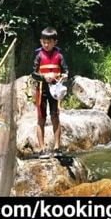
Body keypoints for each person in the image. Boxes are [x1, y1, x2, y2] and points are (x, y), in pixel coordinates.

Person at [31, 26, 69, 157]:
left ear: (55, 42)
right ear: (41, 41)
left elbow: (65, 71)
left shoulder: (59, 56)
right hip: (41, 90)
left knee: (55, 117)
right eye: (44, 42)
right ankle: (41, 149)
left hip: (56, 90)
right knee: (41, 118)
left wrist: (65, 75)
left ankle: (57, 148)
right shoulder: (38, 56)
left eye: (49, 42)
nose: (46, 44)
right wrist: (43, 77)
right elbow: (33, 74)